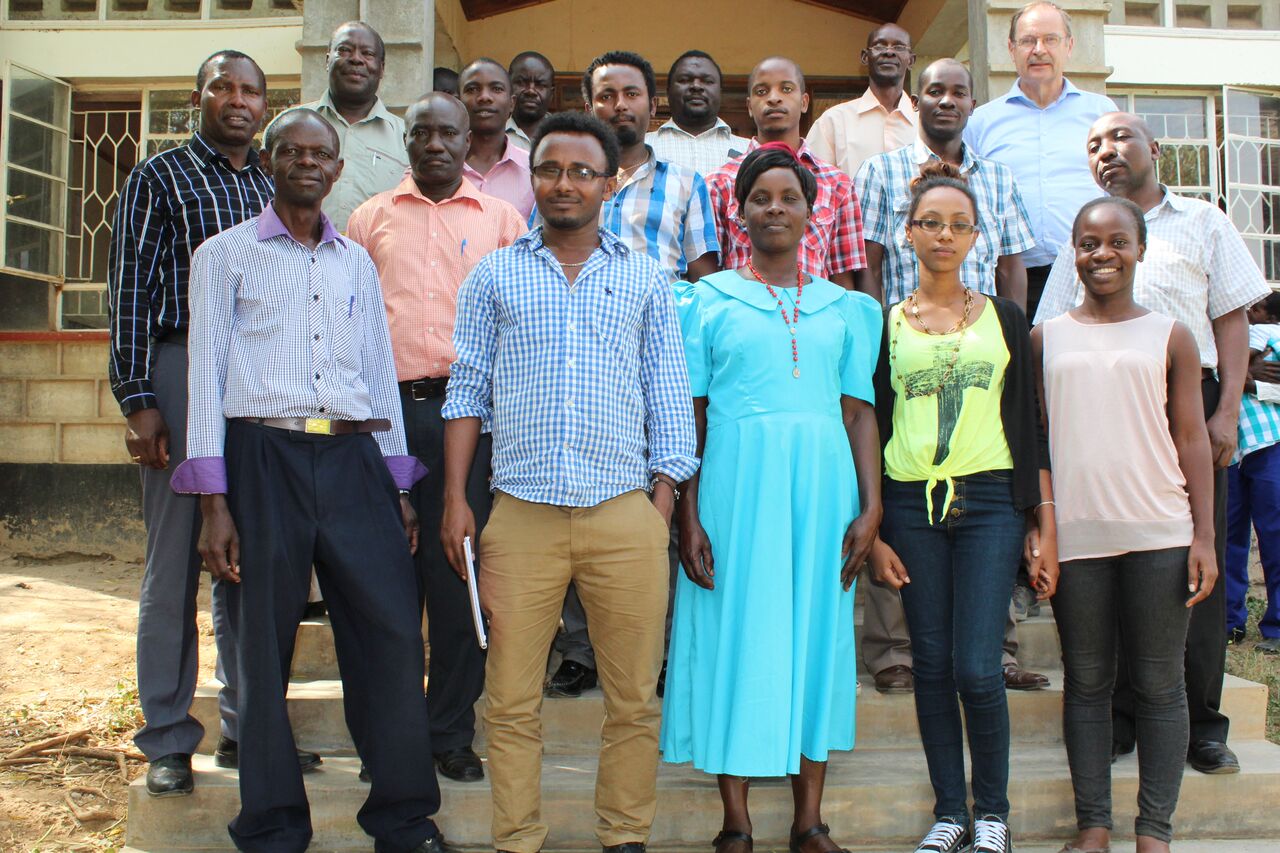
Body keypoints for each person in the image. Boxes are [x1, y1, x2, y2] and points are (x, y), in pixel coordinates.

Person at [171, 108, 447, 853]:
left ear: (335, 168)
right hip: (263, 459)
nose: (306, 162)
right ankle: (270, 826)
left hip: (355, 460)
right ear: (268, 162)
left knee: (390, 636)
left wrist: (398, 483)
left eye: (319, 153)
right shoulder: (222, 256)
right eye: (290, 150)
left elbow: (377, 376)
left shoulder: (355, 259)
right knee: (262, 647)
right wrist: (213, 501)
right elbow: (207, 379)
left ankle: (403, 819)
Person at [440, 111, 698, 853]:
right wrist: (458, 498)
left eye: (582, 171)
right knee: (512, 700)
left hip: (624, 514)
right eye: (550, 169)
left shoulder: (646, 277)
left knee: (632, 700)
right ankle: (517, 838)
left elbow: (669, 398)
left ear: (609, 184)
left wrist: (661, 503)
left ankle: (625, 837)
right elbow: (468, 391)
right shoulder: (495, 273)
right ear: (534, 176)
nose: (564, 183)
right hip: (520, 514)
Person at [1034, 111, 1272, 775]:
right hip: (1104, 409)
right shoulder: (1081, 239)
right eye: (1093, 145)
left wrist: (1226, 409)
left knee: (1189, 576)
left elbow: (1232, 316)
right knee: (1114, 567)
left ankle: (1201, 725)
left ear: (1154, 149)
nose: (1107, 151)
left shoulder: (1203, 221)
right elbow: (1050, 329)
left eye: (1119, 138)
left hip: (1186, 405)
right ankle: (1119, 719)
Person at [661, 143, 882, 853]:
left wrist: (872, 509)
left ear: (812, 213)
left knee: (815, 635)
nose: (776, 207)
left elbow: (858, 412)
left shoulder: (847, 309)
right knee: (733, 634)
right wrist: (686, 514)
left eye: (790, 197)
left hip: (823, 491)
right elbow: (690, 413)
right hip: (733, 484)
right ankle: (736, 820)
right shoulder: (705, 300)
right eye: (762, 198)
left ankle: (809, 821)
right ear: (741, 211)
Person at [106, 49, 314, 798]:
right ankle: (167, 736)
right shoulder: (159, 177)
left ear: (266, 103)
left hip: (258, 386)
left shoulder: (273, 182)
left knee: (250, 564)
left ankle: (248, 727)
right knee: (175, 565)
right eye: (222, 86)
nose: (237, 99)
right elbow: (128, 287)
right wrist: (138, 397)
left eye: (250, 90)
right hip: (182, 369)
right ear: (199, 97)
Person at [869, 162, 1055, 853]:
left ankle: (993, 815)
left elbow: (1030, 426)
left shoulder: (1006, 317)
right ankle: (951, 812)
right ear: (909, 232)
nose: (943, 235)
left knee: (979, 665)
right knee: (934, 663)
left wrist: (1042, 523)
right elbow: (875, 424)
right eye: (930, 223)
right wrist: (879, 523)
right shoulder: (884, 323)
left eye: (958, 224)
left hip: (988, 504)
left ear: (976, 235)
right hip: (911, 507)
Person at [346, 92, 527, 783]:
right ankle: (392, 737)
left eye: (445, 131)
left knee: (460, 577)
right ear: (407, 141)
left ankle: (449, 730)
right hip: (383, 413)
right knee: (383, 585)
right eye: (419, 131)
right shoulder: (370, 219)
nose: (432, 143)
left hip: (471, 418)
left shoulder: (503, 219)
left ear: (466, 137)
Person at [855, 58, 1047, 696]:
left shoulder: (996, 178)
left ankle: (1000, 648)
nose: (946, 100)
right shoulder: (882, 172)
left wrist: (1010, 325)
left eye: (958, 91)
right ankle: (891, 651)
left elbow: (1013, 263)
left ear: (972, 102)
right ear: (918, 99)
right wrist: (882, 325)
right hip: (906, 341)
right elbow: (871, 262)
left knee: (988, 485)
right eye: (933, 89)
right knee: (900, 466)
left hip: (980, 336)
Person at [1039, 196, 1216, 853]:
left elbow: (1193, 437)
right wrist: (1045, 529)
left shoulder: (1171, 334)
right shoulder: (1045, 336)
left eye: (1117, 241)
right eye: (1088, 242)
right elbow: (1037, 444)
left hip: (1159, 533)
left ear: (1141, 248)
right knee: (1086, 682)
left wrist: (1203, 535)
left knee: (1159, 683)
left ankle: (1154, 830)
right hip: (1079, 538)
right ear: (1074, 253)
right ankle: (1094, 826)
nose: (1102, 253)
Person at [546, 50, 720, 696]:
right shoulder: (565, 181)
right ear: (589, 105)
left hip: (656, 372)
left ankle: (662, 647)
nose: (619, 105)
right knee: (570, 499)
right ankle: (578, 649)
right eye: (606, 95)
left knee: (660, 503)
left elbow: (704, 281)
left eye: (631, 94)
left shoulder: (683, 184)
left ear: (654, 106)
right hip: (575, 371)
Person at [964, 1, 1116, 323]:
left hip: (1087, 276)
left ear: (1069, 46)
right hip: (1009, 279)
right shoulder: (981, 122)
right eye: (1028, 41)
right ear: (1011, 48)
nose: (1039, 50)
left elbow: (1118, 192)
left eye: (1050, 39)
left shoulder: (1102, 114)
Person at [707, 56, 865, 291]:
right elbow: (711, 274)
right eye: (762, 91)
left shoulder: (837, 184)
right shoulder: (719, 183)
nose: (773, 98)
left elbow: (843, 279)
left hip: (814, 319)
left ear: (804, 102)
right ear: (749, 107)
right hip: (741, 320)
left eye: (786, 89)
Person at [285, 21, 407, 232]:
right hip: (295, 256)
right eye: (344, 50)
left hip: (374, 262)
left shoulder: (406, 137)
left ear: (382, 68)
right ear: (327, 60)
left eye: (367, 53)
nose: (356, 59)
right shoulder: (290, 124)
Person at [1227, 292, 1280, 654]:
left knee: (1275, 535)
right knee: (1228, 538)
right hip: (1230, 449)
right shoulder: (1226, 336)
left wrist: (1246, 380)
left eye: (1255, 307)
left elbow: (1233, 372)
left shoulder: (1268, 335)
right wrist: (1245, 375)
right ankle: (1230, 622)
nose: (1249, 311)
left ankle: (1275, 627)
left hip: (1268, 442)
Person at [805, 23, 918, 181]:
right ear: (865, 57)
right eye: (880, 45)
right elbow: (815, 188)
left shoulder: (924, 124)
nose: (889, 52)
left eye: (899, 47)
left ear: (911, 60)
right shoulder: (832, 122)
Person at [646, 50, 748, 177]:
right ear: (668, 92)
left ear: (720, 92)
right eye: (684, 80)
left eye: (707, 81)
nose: (696, 86)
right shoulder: (645, 148)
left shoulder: (749, 151)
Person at [458, 59, 536, 219]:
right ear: (458, 102)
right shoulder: (435, 167)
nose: (484, 97)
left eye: (496, 89)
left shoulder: (534, 170)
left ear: (512, 103)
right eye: (472, 89)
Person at [507, 51, 556, 150]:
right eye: (521, 83)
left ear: (551, 94)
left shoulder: (565, 135)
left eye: (540, 85)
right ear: (508, 87)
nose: (531, 91)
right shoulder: (495, 135)